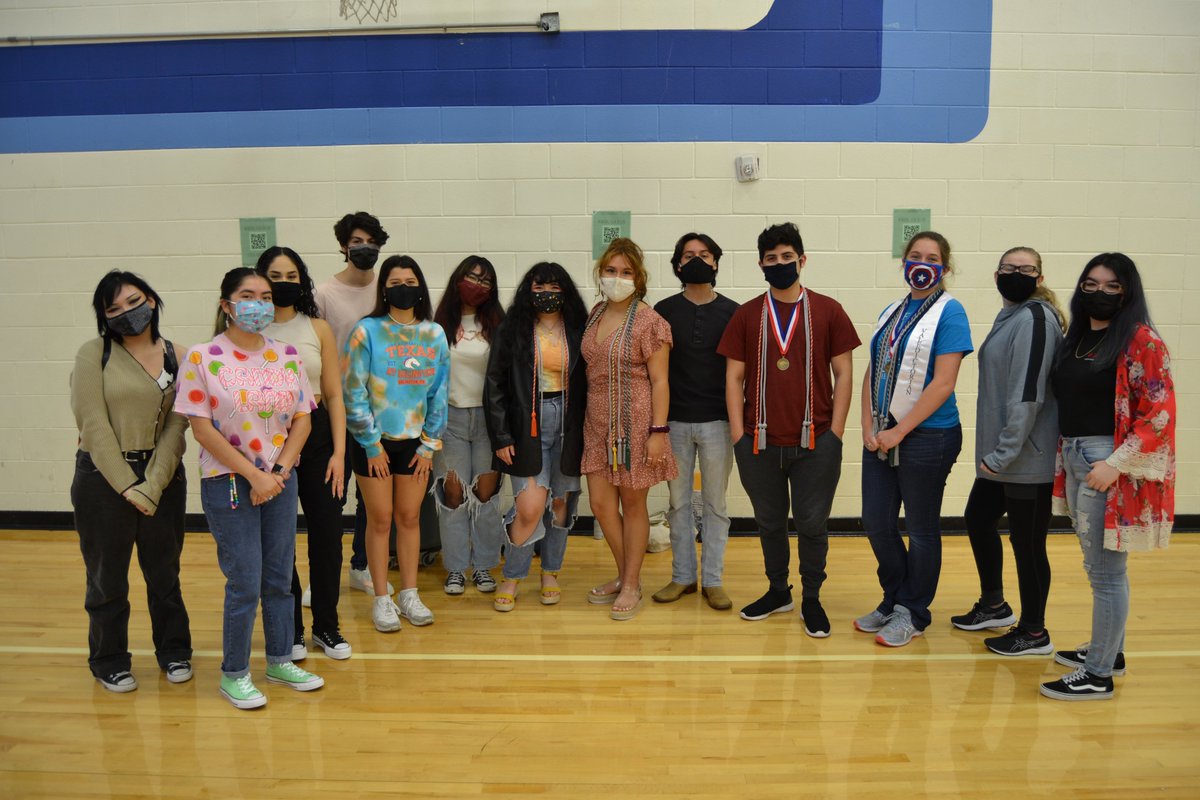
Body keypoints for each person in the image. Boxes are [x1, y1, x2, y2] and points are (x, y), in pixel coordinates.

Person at [175, 267, 324, 710]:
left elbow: (303, 418)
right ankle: (234, 673)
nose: (257, 303)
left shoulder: (287, 354)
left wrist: (276, 473)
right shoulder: (202, 357)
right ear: (227, 305)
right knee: (245, 582)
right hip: (230, 484)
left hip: (279, 480)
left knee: (279, 578)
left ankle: (279, 659)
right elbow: (201, 430)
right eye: (246, 295)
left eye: (264, 295)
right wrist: (255, 475)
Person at [1040, 253, 1175, 702]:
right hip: (1078, 457)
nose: (1100, 292)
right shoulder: (1077, 336)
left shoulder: (1141, 341)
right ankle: (1107, 651)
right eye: (1091, 284)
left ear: (1128, 291)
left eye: (1112, 286)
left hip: (1106, 461)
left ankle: (1098, 673)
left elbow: (1158, 415)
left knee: (1106, 573)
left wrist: (1115, 464)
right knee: (1096, 565)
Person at [718, 222, 859, 637]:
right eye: (771, 259)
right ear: (760, 264)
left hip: (816, 441)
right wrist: (738, 436)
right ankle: (779, 590)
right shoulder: (747, 315)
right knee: (769, 522)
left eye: (786, 257)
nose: (779, 264)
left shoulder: (828, 310)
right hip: (758, 442)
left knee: (813, 523)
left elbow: (844, 373)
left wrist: (835, 432)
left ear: (802, 259)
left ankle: (812, 598)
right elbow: (733, 379)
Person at [70, 271, 192, 693]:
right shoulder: (94, 354)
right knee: (107, 577)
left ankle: (174, 651)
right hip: (102, 480)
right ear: (104, 317)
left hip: (163, 478)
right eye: (113, 308)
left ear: (153, 301)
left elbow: (178, 427)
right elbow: (93, 424)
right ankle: (109, 659)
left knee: (165, 573)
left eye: (134, 301)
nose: (126, 313)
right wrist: (126, 485)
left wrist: (152, 484)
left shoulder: (181, 355)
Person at [856, 231, 972, 647]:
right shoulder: (893, 309)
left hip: (928, 437)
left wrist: (898, 431)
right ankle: (894, 598)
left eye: (933, 257)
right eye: (915, 256)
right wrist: (868, 427)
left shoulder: (950, 312)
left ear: (945, 267)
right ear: (904, 261)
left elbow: (943, 384)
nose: (923, 263)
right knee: (876, 522)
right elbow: (874, 368)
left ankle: (913, 612)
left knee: (920, 529)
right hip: (883, 434)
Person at [952, 247, 1066, 657]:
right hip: (1004, 458)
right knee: (978, 518)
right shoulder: (1014, 317)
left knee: (1027, 542)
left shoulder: (1036, 319)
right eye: (1008, 268)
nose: (1015, 274)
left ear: (1039, 277)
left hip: (1025, 459)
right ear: (996, 274)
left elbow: (1028, 395)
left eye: (1025, 269)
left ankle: (1034, 632)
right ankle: (996, 605)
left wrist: (1003, 454)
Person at [343, 255, 450, 632]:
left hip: (415, 444)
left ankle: (409, 593)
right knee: (380, 520)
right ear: (384, 288)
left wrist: (428, 444)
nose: (402, 288)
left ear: (420, 287)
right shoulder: (366, 331)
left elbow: (438, 394)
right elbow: (353, 392)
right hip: (372, 442)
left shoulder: (433, 334)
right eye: (394, 281)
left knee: (408, 518)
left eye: (410, 281)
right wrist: (371, 444)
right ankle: (381, 599)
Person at [258, 246, 351, 661]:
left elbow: (333, 393)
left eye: (292, 274)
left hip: (318, 442)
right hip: (269, 442)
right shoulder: (248, 332)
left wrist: (339, 453)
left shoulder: (317, 328)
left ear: (303, 280)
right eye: (275, 275)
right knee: (279, 544)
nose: (284, 282)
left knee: (327, 539)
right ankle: (291, 629)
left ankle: (326, 627)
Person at [581, 238, 677, 621]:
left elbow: (660, 382)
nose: (616, 278)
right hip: (596, 423)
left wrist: (658, 431)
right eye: (610, 270)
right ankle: (624, 575)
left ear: (638, 278)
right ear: (600, 273)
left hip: (636, 424)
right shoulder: (594, 313)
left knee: (633, 503)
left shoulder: (651, 322)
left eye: (625, 272)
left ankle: (632, 583)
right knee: (602, 504)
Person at [485, 262, 589, 611]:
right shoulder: (512, 329)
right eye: (540, 287)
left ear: (566, 292)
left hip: (570, 423)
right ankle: (513, 575)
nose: (548, 294)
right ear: (529, 290)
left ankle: (551, 572)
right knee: (529, 508)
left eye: (555, 288)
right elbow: (495, 385)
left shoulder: (578, 327)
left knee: (561, 504)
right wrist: (501, 436)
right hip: (525, 424)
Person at [651, 233, 739, 611]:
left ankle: (714, 580)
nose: (698, 260)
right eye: (689, 256)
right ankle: (683, 576)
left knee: (716, 503)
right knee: (677, 503)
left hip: (718, 421)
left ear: (716, 262)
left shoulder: (735, 312)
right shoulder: (663, 310)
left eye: (705, 255)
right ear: (678, 265)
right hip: (674, 423)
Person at [315, 211, 393, 598]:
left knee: (372, 498)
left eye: (371, 241)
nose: (364, 248)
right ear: (344, 246)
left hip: (380, 411)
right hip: (337, 410)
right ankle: (321, 576)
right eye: (356, 242)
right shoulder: (325, 294)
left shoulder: (387, 289)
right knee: (332, 494)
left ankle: (361, 565)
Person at [431, 256, 505, 597]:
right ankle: (457, 568)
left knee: (485, 495)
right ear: (458, 279)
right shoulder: (438, 325)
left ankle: (485, 566)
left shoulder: (498, 325)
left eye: (485, 280)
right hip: (451, 420)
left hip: (489, 421)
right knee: (454, 494)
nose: (478, 284)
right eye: (472, 277)